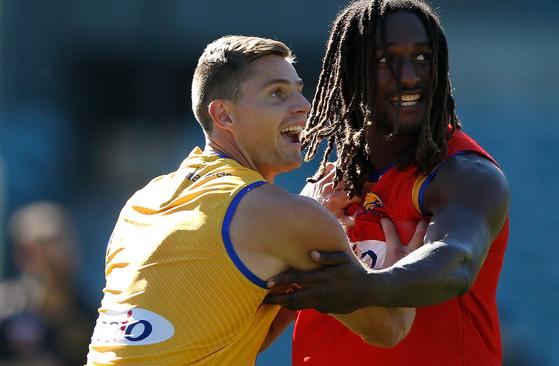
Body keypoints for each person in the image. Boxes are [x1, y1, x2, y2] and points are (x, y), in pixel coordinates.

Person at [85, 35, 416, 365]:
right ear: (224, 116)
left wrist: (301, 237)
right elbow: (389, 328)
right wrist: (406, 265)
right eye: (277, 93)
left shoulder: (143, 200)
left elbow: (224, 338)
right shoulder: (281, 216)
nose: (304, 105)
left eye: (298, 89)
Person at [263, 1, 511, 365]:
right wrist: (299, 223)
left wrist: (366, 287)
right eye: (385, 61)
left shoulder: (465, 174)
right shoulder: (329, 188)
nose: (409, 76)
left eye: (423, 58)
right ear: (350, 73)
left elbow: (457, 259)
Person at [0, 201, 95, 366]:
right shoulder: (6, 307)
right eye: (44, 246)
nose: (57, 255)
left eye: (63, 243)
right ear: (21, 254)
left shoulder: (89, 316)